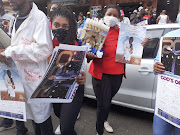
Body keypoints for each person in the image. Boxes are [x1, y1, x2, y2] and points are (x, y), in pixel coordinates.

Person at [87, 5, 148, 135]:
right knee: (102, 104)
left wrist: (140, 44)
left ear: (120, 18)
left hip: (118, 74)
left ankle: (104, 120)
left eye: (115, 15)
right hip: (101, 74)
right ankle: (99, 130)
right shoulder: (97, 30)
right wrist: (89, 54)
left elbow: (131, 49)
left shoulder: (123, 32)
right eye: (110, 14)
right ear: (104, 15)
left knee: (107, 101)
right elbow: (87, 51)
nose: (112, 17)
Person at [0, 0, 54, 135]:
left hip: (36, 81)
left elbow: (44, 49)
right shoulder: (17, 18)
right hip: (20, 79)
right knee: (32, 120)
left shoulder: (39, 17)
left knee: (42, 121)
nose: (9, 0)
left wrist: (11, 52)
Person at [50, 5, 86, 135]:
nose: (60, 29)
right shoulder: (47, 43)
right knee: (58, 113)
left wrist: (83, 77)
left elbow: (81, 70)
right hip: (55, 87)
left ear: (70, 27)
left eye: (65, 26)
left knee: (66, 129)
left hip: (73, 88)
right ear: (51, 24)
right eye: (56, 25)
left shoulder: (75, 45)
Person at [153, 28, 180, 135]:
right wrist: (156, 67)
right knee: (160, 132)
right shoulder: (170, 36)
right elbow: (157, 60)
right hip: (165, 97)